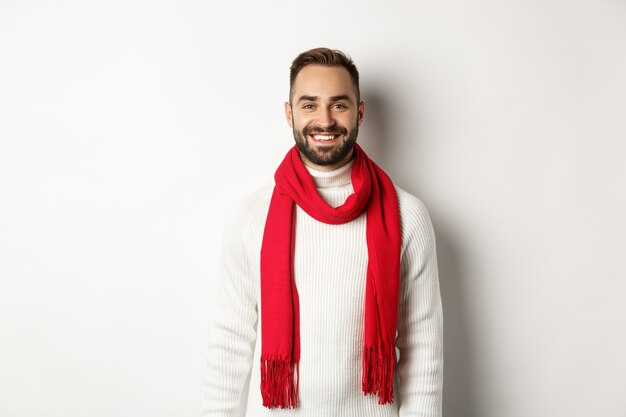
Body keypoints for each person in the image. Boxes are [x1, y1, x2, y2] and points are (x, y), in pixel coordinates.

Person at [201, 47, 443, 417]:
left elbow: (423, 348)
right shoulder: (251, 216)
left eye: (339, 105)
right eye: (310, 105)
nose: (325, 121)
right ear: (289, 113)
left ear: (360, 111)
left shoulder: (407, 215)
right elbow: (229, 344)